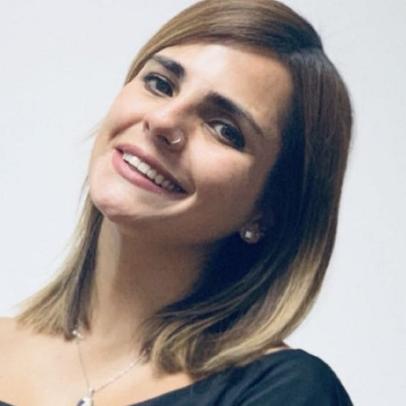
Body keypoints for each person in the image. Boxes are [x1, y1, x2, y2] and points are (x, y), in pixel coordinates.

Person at [0, 0, 353, 404]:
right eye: (160, 84)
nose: (163, 120)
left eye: (224, 129)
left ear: (268, 210)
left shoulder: (288, 390)